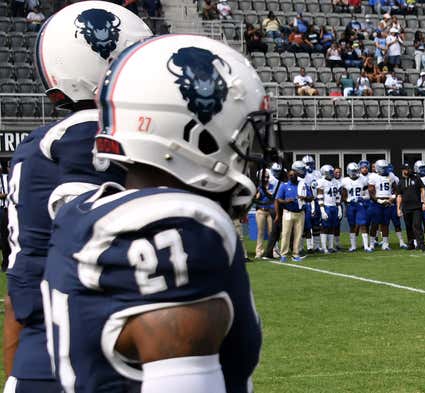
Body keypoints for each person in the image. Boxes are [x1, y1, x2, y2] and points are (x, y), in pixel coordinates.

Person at [42, 34, 272, 393]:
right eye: (244, 137)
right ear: (195, 131)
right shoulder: (175, 230)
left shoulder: (85, 212)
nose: (250, 151)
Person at [3, 3, 152, 392]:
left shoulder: (35, 150)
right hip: (138, 356)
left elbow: (23, 282)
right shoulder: (148, 144)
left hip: (41, 357)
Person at [278, 165, 310, 262]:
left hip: (300, 213)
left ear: (297, 175)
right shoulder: (284, 186)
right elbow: (279, 199)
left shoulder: (302, 185)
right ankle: (283, 254)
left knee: (298, 234)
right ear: (288, 176)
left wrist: (304, 198)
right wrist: (286, 201)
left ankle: (296, 254)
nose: (292, 177)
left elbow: (311, 197)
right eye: (291, 175)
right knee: (286, 233)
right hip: (288, 212)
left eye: (294, 175)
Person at [342, 162, 372, 252]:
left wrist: (360, 198)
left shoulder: (363, 179)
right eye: (352, 171)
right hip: (350, 205)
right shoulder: (344, 181)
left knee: (363, 224)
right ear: (348, 171)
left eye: (355, 170)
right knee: (352, 226)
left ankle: (366, 246)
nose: (354, 172)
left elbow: (368, 196)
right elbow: (343, 196)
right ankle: (353, 246)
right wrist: (348, 200)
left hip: (360, 205)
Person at [396, 163, 425, 250]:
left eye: (409, 169)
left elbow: (422, 190)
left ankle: (421, 244)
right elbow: (399, 196)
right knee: (408, 226)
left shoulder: (416, 178)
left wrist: (424, 202)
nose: (408, 170)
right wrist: (398, 209)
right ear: (403, 170)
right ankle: (411, 244)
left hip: (416, 207)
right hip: (406, 207)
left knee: (417, 225)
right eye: (406, 169)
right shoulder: (401, 181)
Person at [368, 160, 397, 250]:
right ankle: (372, 244)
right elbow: (371, 192)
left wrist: (393, 197)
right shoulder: (373, 176)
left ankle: (385, 244)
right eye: (383, 168)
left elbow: (396, 188)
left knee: (385, 224)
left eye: (385, 168)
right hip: (377, 203)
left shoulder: (391, 175)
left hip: (388, 202)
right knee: (375, 224)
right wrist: (379, 201)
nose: (385, 170)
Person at [317, 165, 342, 253]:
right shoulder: (321, 182)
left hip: (334, 206)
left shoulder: (336, 182)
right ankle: (324, 247)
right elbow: (319, 197)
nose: (331, 174)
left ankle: (330, 247)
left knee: (332, 227)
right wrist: (322, 210)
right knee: (324, 227)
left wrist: (339, 208)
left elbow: (338, 196)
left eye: (332, 172)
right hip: (326, 206)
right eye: (329, 172)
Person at [254, 170, 277, 259]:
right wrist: (258, 192)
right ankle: (259, 251)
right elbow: (256, 198)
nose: (266, 179)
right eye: (264, 177)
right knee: (260, 232)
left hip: (270, 210)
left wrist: (266, 190)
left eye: (267, 177)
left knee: (272, 232)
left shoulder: (272, 186)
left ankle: (272, 250)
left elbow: (273, 196)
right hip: (261, 211)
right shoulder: (258, 187)